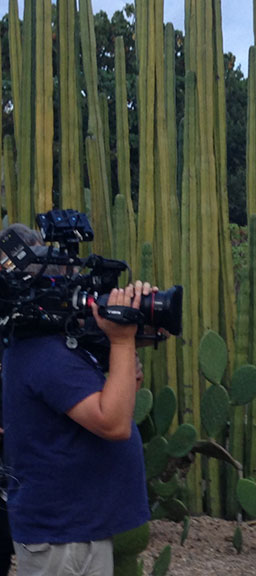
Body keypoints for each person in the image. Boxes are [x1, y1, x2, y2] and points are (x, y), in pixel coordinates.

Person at [2, 236, 155, 576]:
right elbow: (114, 423)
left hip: (77, 530)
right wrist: (122, 339)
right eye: (71, 284)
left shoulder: (60, 344)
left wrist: (141, 317)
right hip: (61, 538)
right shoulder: (45, 353)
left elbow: (120, 398)